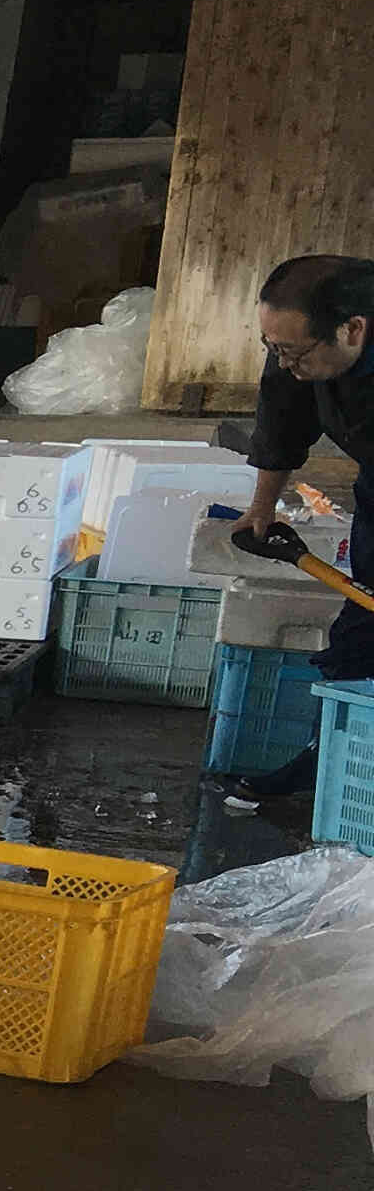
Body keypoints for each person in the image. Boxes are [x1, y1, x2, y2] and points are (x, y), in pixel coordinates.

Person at [228, 257, 374, 796]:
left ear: (353, 328)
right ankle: (331, 764)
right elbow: (282, 416)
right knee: (362, 622)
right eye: (274, 348)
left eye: (293, 352)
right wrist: (263, 507)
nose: (283, 362)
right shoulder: (296, 350)